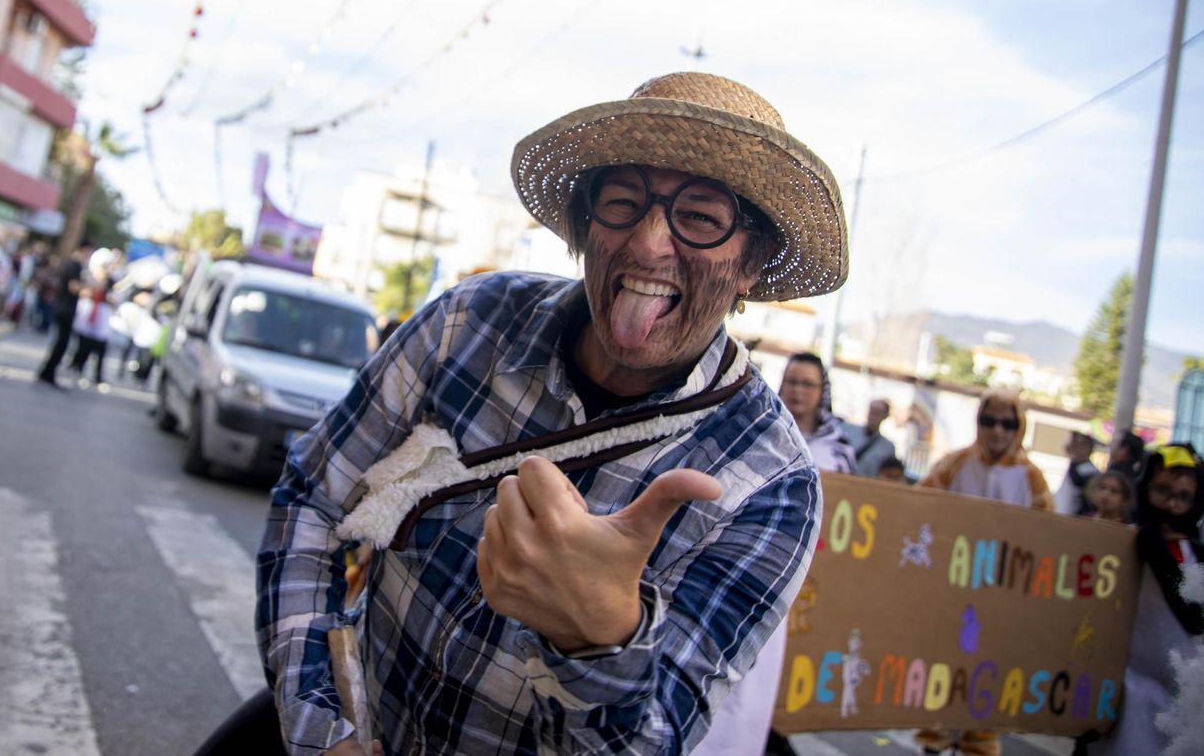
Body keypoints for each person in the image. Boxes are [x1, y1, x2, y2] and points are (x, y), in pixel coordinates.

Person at [250, 73, 848, 755]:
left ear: (752, 262)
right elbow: (312, 503)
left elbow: (651, 741)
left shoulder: (773, 485)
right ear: (586, 224)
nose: (650, 244)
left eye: (702, 218)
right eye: (624, 202)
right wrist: (322, 728)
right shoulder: (467, 324)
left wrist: (599, 639)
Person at [698, 352, 854, 756]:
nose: (797, 391)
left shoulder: (837, 456)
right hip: (745, 569)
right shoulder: (762, 431)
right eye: (792, 381)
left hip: (797, 587)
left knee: (755, 693)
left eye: (807, 384)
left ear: (823, 393)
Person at [914, 390, 1052, 756]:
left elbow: (1047, 538)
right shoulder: (953, 465)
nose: (997, 431)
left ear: (1019, 427)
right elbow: (916, 509)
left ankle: (979, 742)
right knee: (942, 666)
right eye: (988, 421)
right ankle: (935, 738)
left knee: (988, 673)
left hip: (1001, 599)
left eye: (1007, 423)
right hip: (951, 590)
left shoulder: (1031, 478)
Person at [1091, 444, 1204, 756]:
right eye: (1162, 491)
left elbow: (1195, 619)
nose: (1172, 503)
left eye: (1183, 496)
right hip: (1121, 689)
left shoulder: (1203, 557)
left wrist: (1158, 552)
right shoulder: (1122, 541)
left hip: (1177, 699)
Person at [36, 239, 96, 389]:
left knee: (60, 343)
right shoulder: (75, 265)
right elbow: (74, 287)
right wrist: (89, 285)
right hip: (65, 308)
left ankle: (47, 372)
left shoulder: (68, 263)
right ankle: (47, 373)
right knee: (61, 344)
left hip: (62, 307)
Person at [67, 282, 112, 387]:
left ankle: (97, 376)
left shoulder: (105, 305)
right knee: (82, 351)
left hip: (100, 334)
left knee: (100, 356)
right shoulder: (86, 302)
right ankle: (77, 368)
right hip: (87, 332)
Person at [1055, 430, 1103, 516]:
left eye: (1075, 444)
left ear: (1087, 448)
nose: (1070, 447)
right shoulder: (1073, 465)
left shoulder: (1090, 473)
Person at [848, 398, 898, 477]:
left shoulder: (888, 448)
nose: (873, 416)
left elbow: (888, 475)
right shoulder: (848, 432)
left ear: (885, 416)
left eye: (877, 413)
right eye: (871, 411)